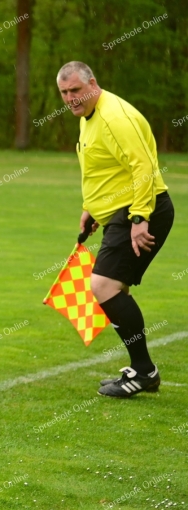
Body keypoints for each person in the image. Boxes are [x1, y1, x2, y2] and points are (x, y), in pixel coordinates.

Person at [56, 61, 174, 397]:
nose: (70, 98)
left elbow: (144, 168)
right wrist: (91, 209)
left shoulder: (113, 116)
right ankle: (142, 370)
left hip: (141, 209)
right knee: (113, 288)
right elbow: (105, 169)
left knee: (104, 286)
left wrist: (139, 218)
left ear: (92, 83)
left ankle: (144, 371)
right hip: (120, 213)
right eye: (64, 93)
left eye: (76, 90)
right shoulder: (89, 115)